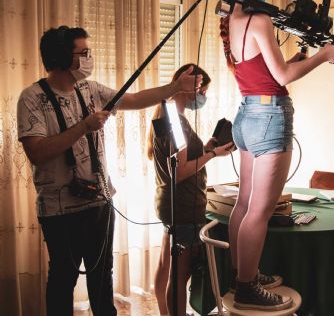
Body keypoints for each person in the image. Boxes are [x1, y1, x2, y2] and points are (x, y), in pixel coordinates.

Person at [17, 26, 202, 316]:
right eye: (84, 52)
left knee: (103, 278)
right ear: (63, 57)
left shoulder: (90, 90)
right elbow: (37, 152)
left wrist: (174, 87)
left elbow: (134, 99)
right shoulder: (32, 98)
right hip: (58, 211)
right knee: (63, 279)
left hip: (100, 203)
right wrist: (84, 127)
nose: (89, 58)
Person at [220, 0, 334, 311]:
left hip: (246, 114)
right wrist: (323, 56)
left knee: (244, 203)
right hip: (269, 117)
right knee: (260, 210)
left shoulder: (232, 18)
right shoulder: (258, 19)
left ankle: (241, 274)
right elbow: (284, 77)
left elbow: (264, 72)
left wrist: (293, 61)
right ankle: (247, 288)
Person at [148, 64, 235, 316]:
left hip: (170, 203)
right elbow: (180, 172)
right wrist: (213, 154)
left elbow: (180, 160)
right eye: (202, 91)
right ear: (189, 88)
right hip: (183, 207)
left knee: (166, 265)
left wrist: (206, 148)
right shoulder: (175, 122)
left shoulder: (167, 115)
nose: (203, 97)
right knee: (179, 275)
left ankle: (165, 312)